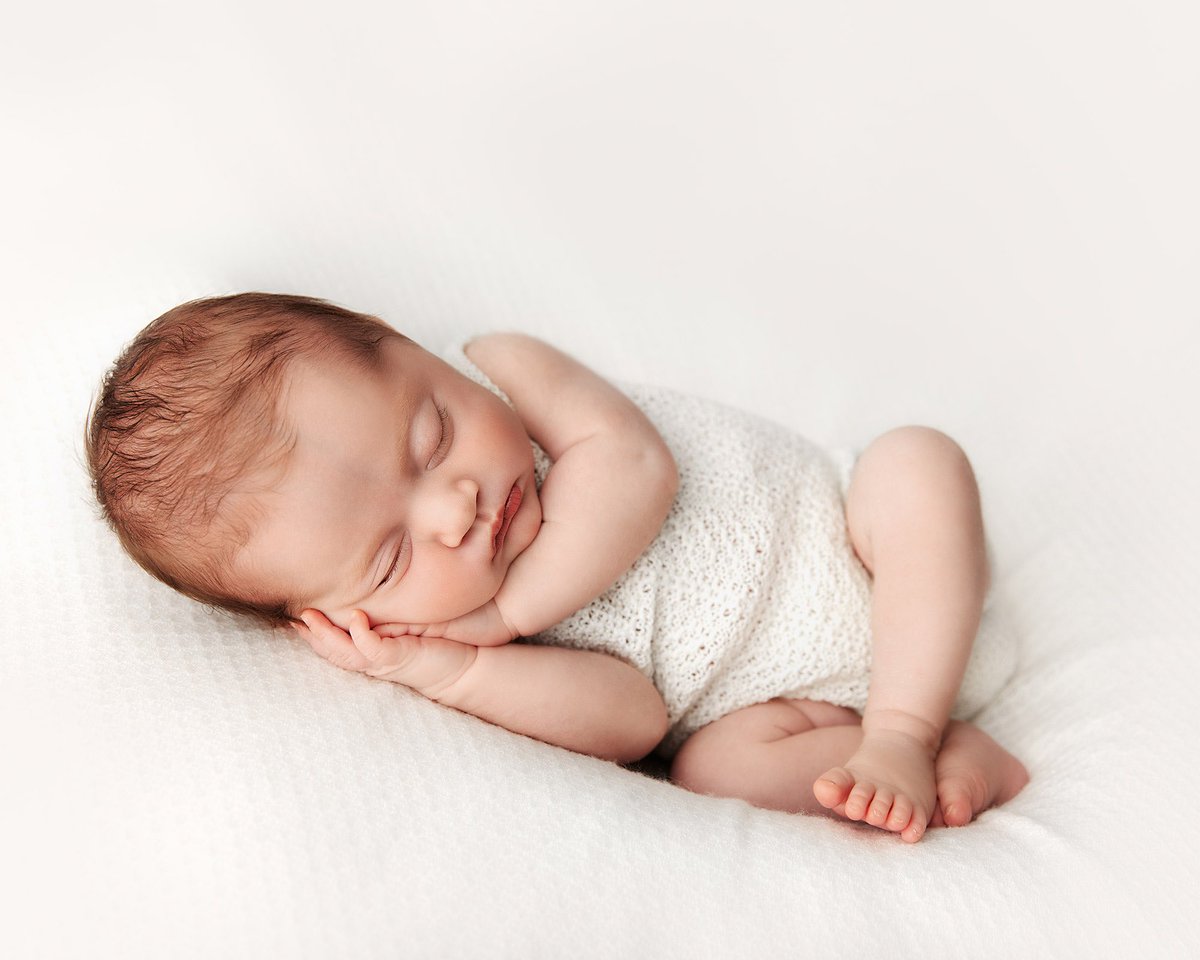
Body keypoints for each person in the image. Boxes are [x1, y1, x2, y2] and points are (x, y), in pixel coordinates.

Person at [86, 292, 1029, 843]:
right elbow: (636, 720)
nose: (454, 508)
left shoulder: (512, 369)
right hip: (804, 708)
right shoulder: (460, 644)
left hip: (865, 548)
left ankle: (912, 718)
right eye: (389, 556)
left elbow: (636, 468)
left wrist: (507, 614)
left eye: (432, 433)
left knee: (917, 464)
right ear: (330, 617)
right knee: (709, 772)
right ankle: (931, 751)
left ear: (418, 352)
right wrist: (458, 670)